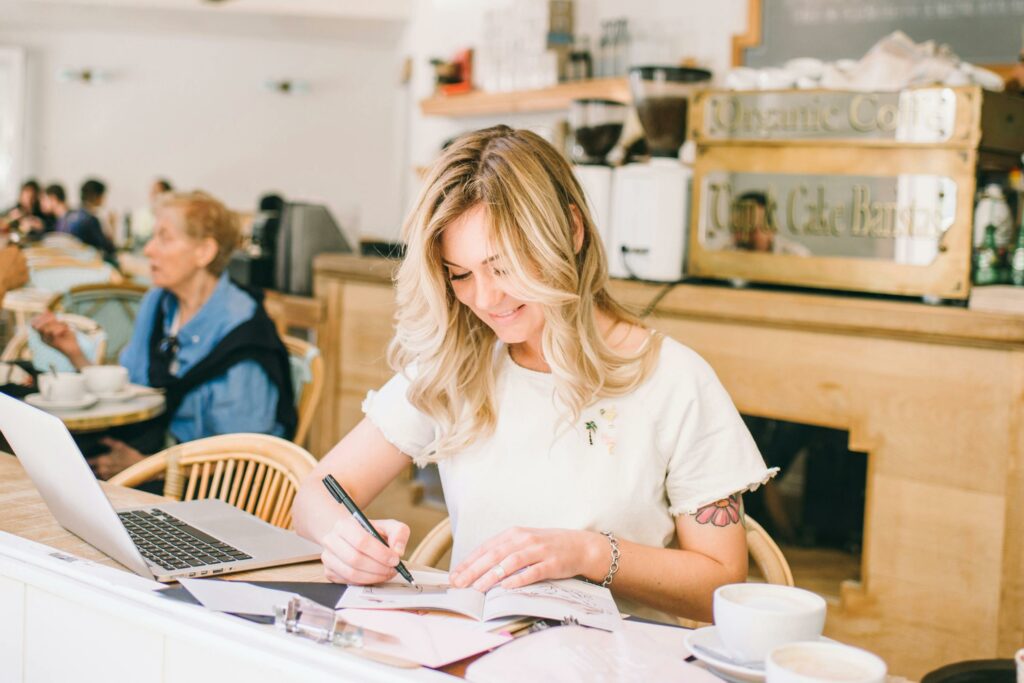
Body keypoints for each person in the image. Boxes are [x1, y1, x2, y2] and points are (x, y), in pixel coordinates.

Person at [292, 126, 775, 623]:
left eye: (503, 267)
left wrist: (588, 554)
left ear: (570, 231)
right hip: (476, 654)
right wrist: (344, 540)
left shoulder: (674, 381)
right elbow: (314, 494)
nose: (484, 298)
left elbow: (720, 586)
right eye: (460, 274)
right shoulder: (457, 364)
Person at [32, 191, 297, 479]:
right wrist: (74, 352)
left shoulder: (243, 334)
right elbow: (131, 395)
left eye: (164, 238)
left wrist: (148, 468)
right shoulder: (158, 303)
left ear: (204, 252)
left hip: (207, 489)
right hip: (155, 458)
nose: (148, 250)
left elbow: (246, 461)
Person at [63, 178, 116, 259]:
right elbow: (109, 249)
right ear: (95, 196)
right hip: (88, 264)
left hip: (70, 261)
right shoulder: (91, 220)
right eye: (103, 196)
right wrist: (112, 225)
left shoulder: (69, 215)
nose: (104, 199)